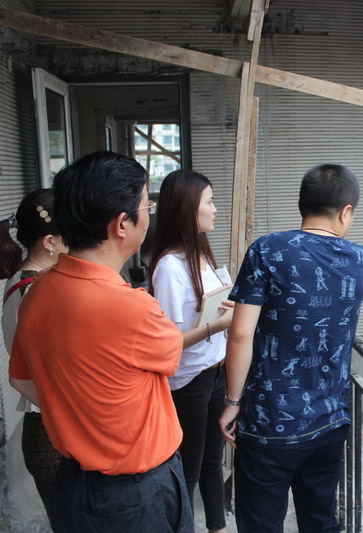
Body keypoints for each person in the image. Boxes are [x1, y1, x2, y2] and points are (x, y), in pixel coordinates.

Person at [219, 163, 363, 532]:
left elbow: (240, 335)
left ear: (302, 204)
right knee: (320, 522)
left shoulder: (267, 250)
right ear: (345, 212)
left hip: (269, 424)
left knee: (260, 524)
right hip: (328, 423)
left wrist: (233, 402)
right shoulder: (359, 259)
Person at [8, 151, 194, 532]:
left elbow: (20, 379)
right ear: (122, 224)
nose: (150, 215)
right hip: (136, 493)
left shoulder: (36, 292)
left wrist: (75, 413)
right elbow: (172, 353)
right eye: (147, 206)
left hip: (76, 485)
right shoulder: (131, 307)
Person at [149, 170, 233, 533]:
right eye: (209, 202)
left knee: (214, 462)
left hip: (215, 371)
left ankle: (217, 527)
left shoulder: (200, 255)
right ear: (187, 208)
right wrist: (218, 325)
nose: (215, 209)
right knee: (190, 469)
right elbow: (168, 341)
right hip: (189, 381)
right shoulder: (169, 267)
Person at [0, 188, 67, 531]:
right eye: (72, 235)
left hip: (46, 424)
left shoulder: (25, 281)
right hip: (51, 427)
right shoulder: (34, 290)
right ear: (50, 242)